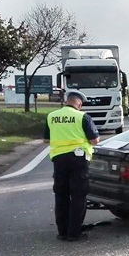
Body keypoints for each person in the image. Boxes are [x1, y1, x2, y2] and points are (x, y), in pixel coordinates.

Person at [44, 91, 100, 241]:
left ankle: (62, 232)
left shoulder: (52, 116)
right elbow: (95, 141)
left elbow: (45, 140)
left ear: (66, 101)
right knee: (78, 196)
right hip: (78, 160)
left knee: (61, 195)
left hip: (58, 161)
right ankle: (74, 233)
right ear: (79, 104)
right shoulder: (83, 117)